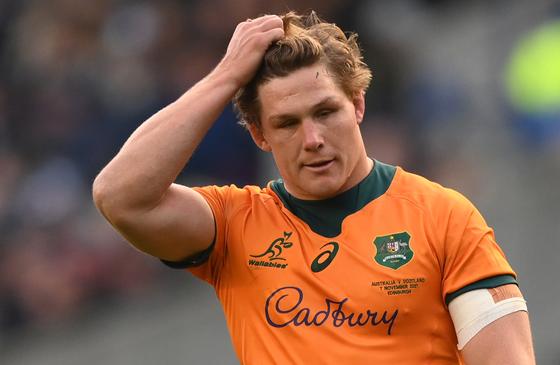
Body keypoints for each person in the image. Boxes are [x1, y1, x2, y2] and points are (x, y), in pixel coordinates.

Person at [93, 11, 535, 364]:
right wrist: (225, 76)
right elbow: (120, 196)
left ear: (357, 105)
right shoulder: (235, 226)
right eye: (287, 123)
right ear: (259, 135)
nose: (313, 139)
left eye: (325, 112)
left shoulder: (444, 217)